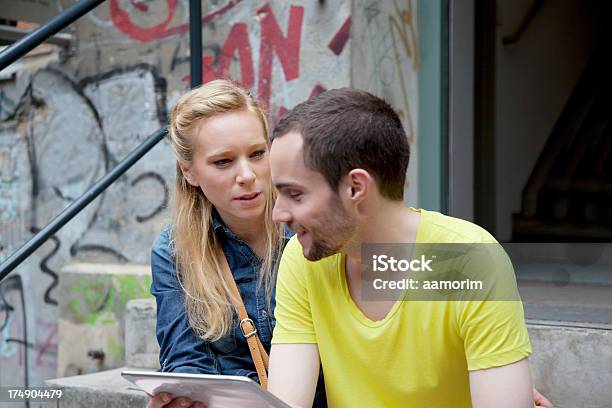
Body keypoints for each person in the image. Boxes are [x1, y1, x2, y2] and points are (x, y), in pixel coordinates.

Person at [266, 88, 553, 408]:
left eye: (295, 194)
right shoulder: (305, 258)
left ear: (355, 187)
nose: (279, 213)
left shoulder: (465, 261)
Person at [147, 79, 325, 408]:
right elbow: (187, 364)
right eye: (223, 162)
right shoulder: (175, 250)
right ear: (189, 172)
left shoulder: (316, 227)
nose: (247, 175)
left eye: (258, 154)